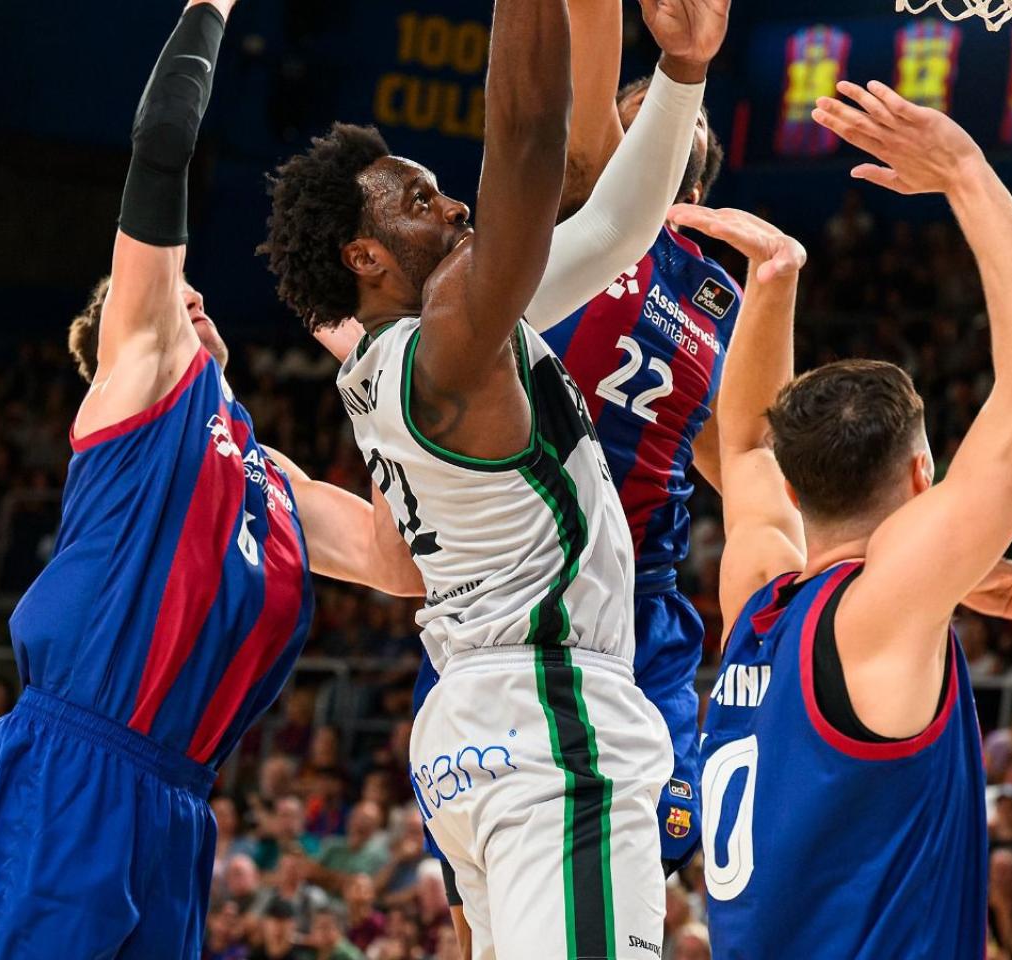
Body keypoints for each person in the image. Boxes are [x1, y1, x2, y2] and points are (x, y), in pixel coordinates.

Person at [0, 2, 415, 957]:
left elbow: (402, 562)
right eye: (163, 296)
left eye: (194, 296)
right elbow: (161, 147)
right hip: (72, 768)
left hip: (179, 803)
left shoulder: (272, 477)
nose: (187, 300)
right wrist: (210, 8)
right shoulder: (138, 384)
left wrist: (377, 381)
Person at [261, 0, 727, 954]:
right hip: (552, 725)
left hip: (482, 725)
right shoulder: (452, 348)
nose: (455, 205)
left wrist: (683, 73)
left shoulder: (433, 343)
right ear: (366, 256)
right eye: (421, 201)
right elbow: (524, 138)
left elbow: (612, 234)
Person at [698, 79, 1012, 958]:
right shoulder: (880, 614)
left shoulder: (758, 597)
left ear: (798, 491)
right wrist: (964, 170)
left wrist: (775, 280)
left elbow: (748, 450)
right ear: (923, 475)